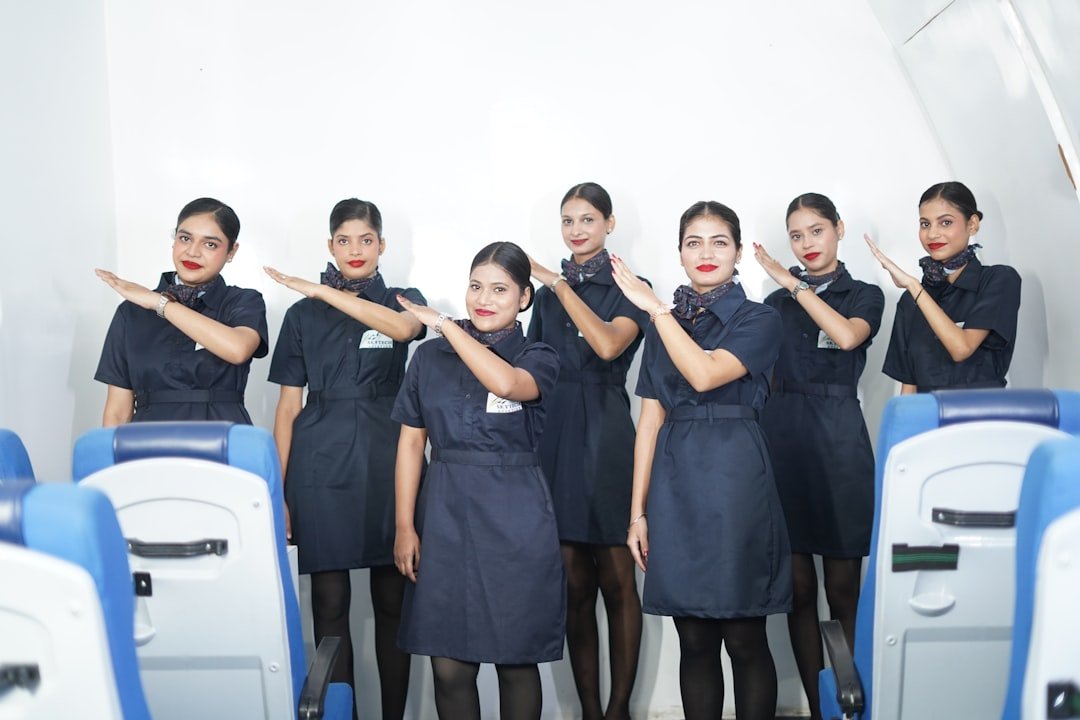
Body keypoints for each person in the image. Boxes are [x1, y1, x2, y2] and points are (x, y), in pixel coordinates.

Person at [611, 201, 792, 720]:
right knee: (693, 637)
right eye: (694, 242)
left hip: (736, 479)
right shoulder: (662, 323)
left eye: (719, 242)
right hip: (675, 482)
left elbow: (707, 374)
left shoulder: (760, 318)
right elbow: (649, 421)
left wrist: (657, 311)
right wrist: (637, 512)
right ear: (680, 253)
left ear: (737, 253)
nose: (706, 253)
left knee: (744, 635)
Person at [264, 199, 424, 720]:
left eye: (365, 240)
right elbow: (288, 408)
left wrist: (321, 289)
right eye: (343, 240)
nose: (355, 250)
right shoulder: (301, 315)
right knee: (329, 605)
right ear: (329, 245)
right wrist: (278, 493)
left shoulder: (405, 300)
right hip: (319, 463)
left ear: (381, 245)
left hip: (390, 459)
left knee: (393, 603)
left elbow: (404, 331)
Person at [392, 241, 564, 720]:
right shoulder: (428, 359)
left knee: (515, 662)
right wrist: (406, 526)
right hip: (444, 512)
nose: (483, 299)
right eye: (475, 286)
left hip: (517, 518)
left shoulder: (539, 355)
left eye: (499, 289)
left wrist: (445, 322)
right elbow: (410, 445)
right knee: (448, 666)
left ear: (524, 298)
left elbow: (507, 385)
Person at [753, 193, 884, 720]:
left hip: (839, 444)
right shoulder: (773, 305)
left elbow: (847, 336)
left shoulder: (865, 295)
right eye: (797, 236)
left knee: (844, 589)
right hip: (782, 442)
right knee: (799, 590)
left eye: (816, 231)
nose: (806, 244)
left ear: (839, 230)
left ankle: (851, 709)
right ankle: (816, 707)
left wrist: (794, 284)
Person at [526, 182, 645, 720]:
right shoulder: (546, 297)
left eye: (588, 220)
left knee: (618, 577)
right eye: (568, 221)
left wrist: (556, 282)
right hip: (553, 432)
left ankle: (620, 708)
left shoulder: (631, 285)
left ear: (609, 223)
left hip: (607, 431)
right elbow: (532, 364)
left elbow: (606, 344)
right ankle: (590, 711)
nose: (577, 231)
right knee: (572, 582)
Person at [95, 197, 267, 426]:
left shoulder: (243, 301)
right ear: (174, 239)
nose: (192, 252)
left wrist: (159, 303)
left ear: (231, 252)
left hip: (223, 442)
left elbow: (238, 349)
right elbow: (117, 411)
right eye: (185, 238)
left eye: (210, 244)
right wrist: (112, 459)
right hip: (147, 445)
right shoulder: (131, 313)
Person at [868, 181, 1021, 393]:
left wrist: (913, 285)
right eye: (925, 224)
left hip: (982, 418)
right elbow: (908, 389)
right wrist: (902, 425)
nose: (932, 234)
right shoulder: (910, 302)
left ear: (972, 224)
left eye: (946, 222)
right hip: (927, 420)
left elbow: (961, 348)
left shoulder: (999, 279)